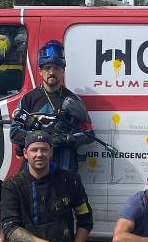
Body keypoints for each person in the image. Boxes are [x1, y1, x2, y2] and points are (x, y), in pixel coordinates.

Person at [10, 40, 93, 172]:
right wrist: (41, 138)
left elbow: (89, 134)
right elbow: (14, 133)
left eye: (56, 68)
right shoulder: (28, 98)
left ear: (63, 71)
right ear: (40, 71)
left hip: (65, 170)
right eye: (47, 68)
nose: (51, 72)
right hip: (33, 172)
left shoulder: (73, 100)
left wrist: (67, 139)